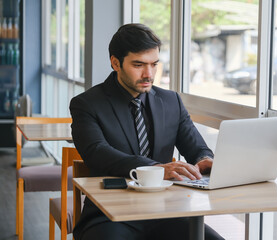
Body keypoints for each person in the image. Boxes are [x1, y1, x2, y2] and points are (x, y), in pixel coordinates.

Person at [70, 23, 224, 240]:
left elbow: (196, 147)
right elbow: (97, 152)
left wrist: (205, 159)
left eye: (154, 64)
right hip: (110, 214)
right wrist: (156, 168)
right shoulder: (86, 104)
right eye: (138, 64)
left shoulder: (171, 102)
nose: (148, 74)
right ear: (116, 63)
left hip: (168, 212)